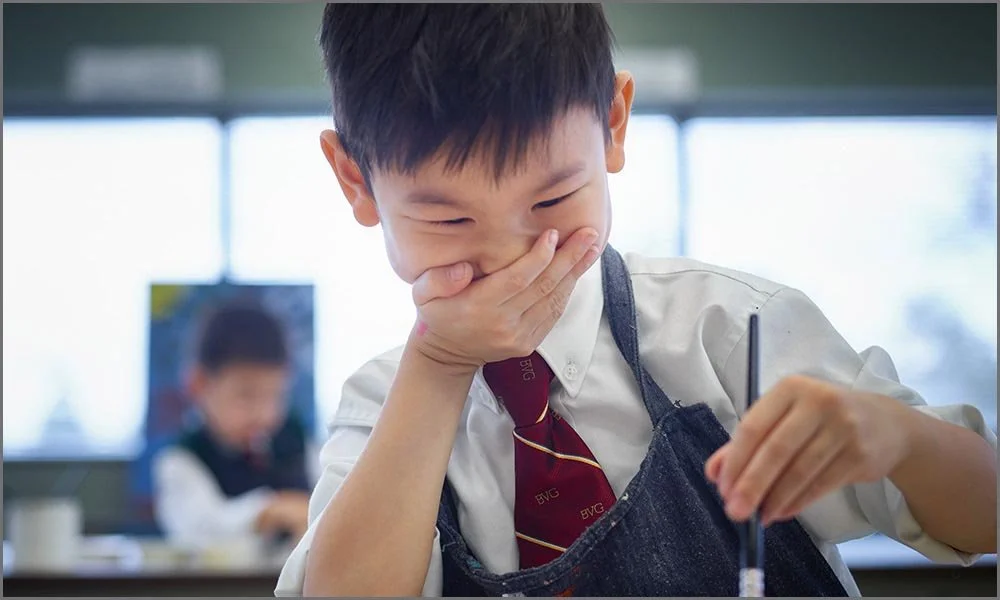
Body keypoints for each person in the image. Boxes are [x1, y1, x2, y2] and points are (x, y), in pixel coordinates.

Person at [277, 4, 997, 596]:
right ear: (355, 182)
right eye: (449, 221)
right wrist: (437, 366)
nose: (512, 258)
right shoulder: (383, 404)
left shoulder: (724, 329)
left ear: (614, 125)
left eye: (553, 200)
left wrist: (903, 439)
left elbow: (984, 519)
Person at [153, 300, 318, 550]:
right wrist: (266, 512)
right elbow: (195, 531)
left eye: (276, 396)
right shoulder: (181, 460)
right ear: (198, 384)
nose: (264, 415)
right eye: (246, 395)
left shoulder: (299, 443)